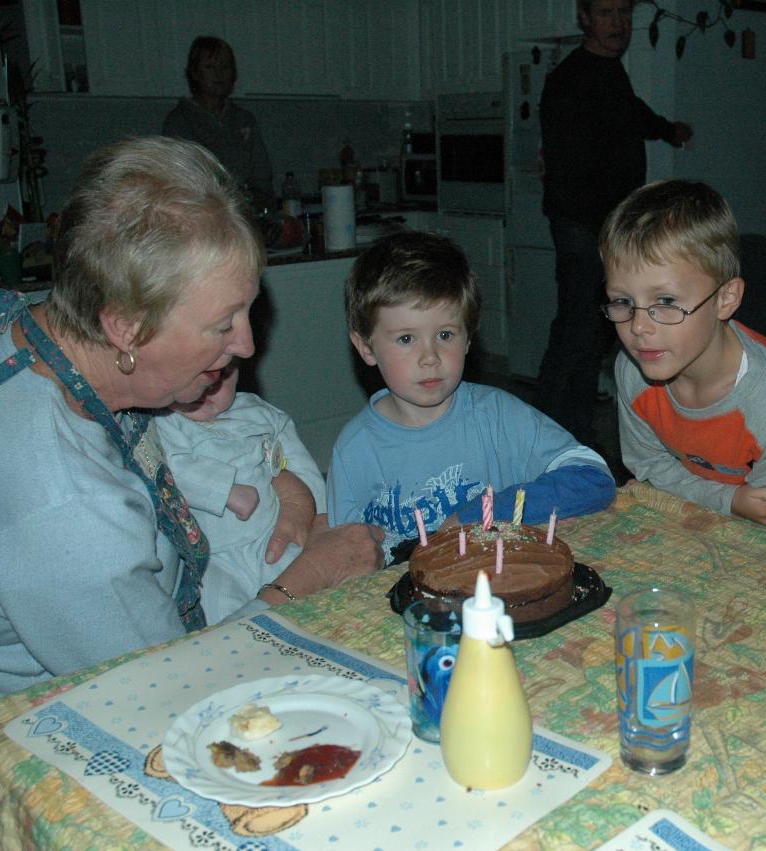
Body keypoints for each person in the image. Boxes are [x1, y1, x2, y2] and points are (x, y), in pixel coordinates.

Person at [0, 136, 383, 724]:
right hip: (54, 732)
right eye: (222, 325)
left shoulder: (42, 328)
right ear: (125, 329)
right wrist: (311, 577)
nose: (246, 345)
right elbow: (171, 690)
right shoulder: (62, 508)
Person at [328, 231, 616, 560]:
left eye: (445, 335)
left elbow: (594, 478)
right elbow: (342, 558)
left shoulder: (499, 416)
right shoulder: (354, 451)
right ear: (366, 346)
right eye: (406, 339)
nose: (430, 357)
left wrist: (480, 513)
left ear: (468, 339)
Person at [602, 180, 766, 524]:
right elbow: (650, 467)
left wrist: (726, 501)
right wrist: (727, 499)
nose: (639, 327)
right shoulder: (632, 370)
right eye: (623, 301)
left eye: (666, 301)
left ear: (726, 299)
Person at [533, 0, 693, 449]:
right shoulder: (567, 80)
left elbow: (630, 113)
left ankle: (573, 438)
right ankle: (543, 439)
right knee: (578, 332)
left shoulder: (611, 74)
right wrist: (606, 236)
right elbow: (564, 167)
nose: (618, 23)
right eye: (606, 13)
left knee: (595, 332)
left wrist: (668, 129)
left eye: (624, 13)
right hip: (584, 228)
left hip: (609, 229)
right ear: (584, 18)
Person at [156, 361, 326, 625]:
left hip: (269, 537)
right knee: (224, 613)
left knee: (314, 585)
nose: (206, 391)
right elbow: (170, 468)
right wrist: (225, 489)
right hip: (212, 558)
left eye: (221, 377)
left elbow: (298, 463)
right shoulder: (165, 421)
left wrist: (317, 516)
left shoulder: (258, 412)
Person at [162, 36, 273, 209]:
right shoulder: (179, 121)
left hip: (243, 214)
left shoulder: (244, 120)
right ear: (195, 73)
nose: (219, 73)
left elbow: (262, 179)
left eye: (225, 66)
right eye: (210, 67)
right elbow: (177, 179)